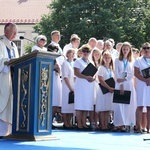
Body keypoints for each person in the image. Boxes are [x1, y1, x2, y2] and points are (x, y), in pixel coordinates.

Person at [0, 23, 19, 137]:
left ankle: (8, 131)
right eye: (13, 32)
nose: (15, 35)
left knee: (11, 103)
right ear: (6, 31)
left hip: (12, 78)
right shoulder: (0, 42)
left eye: (16, 32)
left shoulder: (14, 45)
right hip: (3, 77)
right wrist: (9, 61)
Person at [113, 42, 136, 131]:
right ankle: (119, 124)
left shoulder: (132, 60)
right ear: (121, 50)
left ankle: (128, 123)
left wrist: (125, 80)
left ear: (129, 50)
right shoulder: (117, 60)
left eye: (127, 49)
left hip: (128, 83)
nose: (125, 51)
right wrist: (121, 84)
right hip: (119, 83)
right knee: (119, 103)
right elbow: (117, 72)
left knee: (128, 104)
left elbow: (132, 73)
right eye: (124, 49)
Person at [74, 44, 95, 129]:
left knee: (86, 105)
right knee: (80, 105)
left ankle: (84, 122)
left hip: (89, 86)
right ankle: (79, 123)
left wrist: (93, 78)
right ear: (81, 52)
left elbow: (94, 73)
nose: (86, 53)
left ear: (90, 53)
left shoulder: (91, 62)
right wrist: (86, 77)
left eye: (88, 51)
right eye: (84, 51)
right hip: (81, 85)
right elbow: (76, 73)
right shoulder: (78, 61)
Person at [96, 51, 114, 130]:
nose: (107, 59)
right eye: (105, 57)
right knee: (102, 109)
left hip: (110, 91)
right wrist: (108, 87)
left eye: (109, 58)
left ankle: (106, 124)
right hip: (103, 90)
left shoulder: (111, 69)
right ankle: (102, 125)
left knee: (107, 108)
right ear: (103, 58)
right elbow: (101, 79)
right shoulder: (101, 68)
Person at [134, 42, 150, 133]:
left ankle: (148, 128)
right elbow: (136, 73)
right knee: (140, 106)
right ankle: (138, 127)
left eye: (148, 48)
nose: (146, 50)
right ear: (142, 50)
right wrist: (146, 80)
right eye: (144, 48)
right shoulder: (138, 60)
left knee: (149, 107)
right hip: (142, 85)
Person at [61, 48, 75, 128]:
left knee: (71, 105)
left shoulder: (74, 63)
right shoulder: (65, 63)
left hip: (73, 85)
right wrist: (70, 88)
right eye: (70, 53)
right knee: (66, 104)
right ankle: (65, 122)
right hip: (67, 86)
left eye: (73, 53)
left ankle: (69, 122)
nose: (72, 54)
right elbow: (65, 77)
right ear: (67, 54)